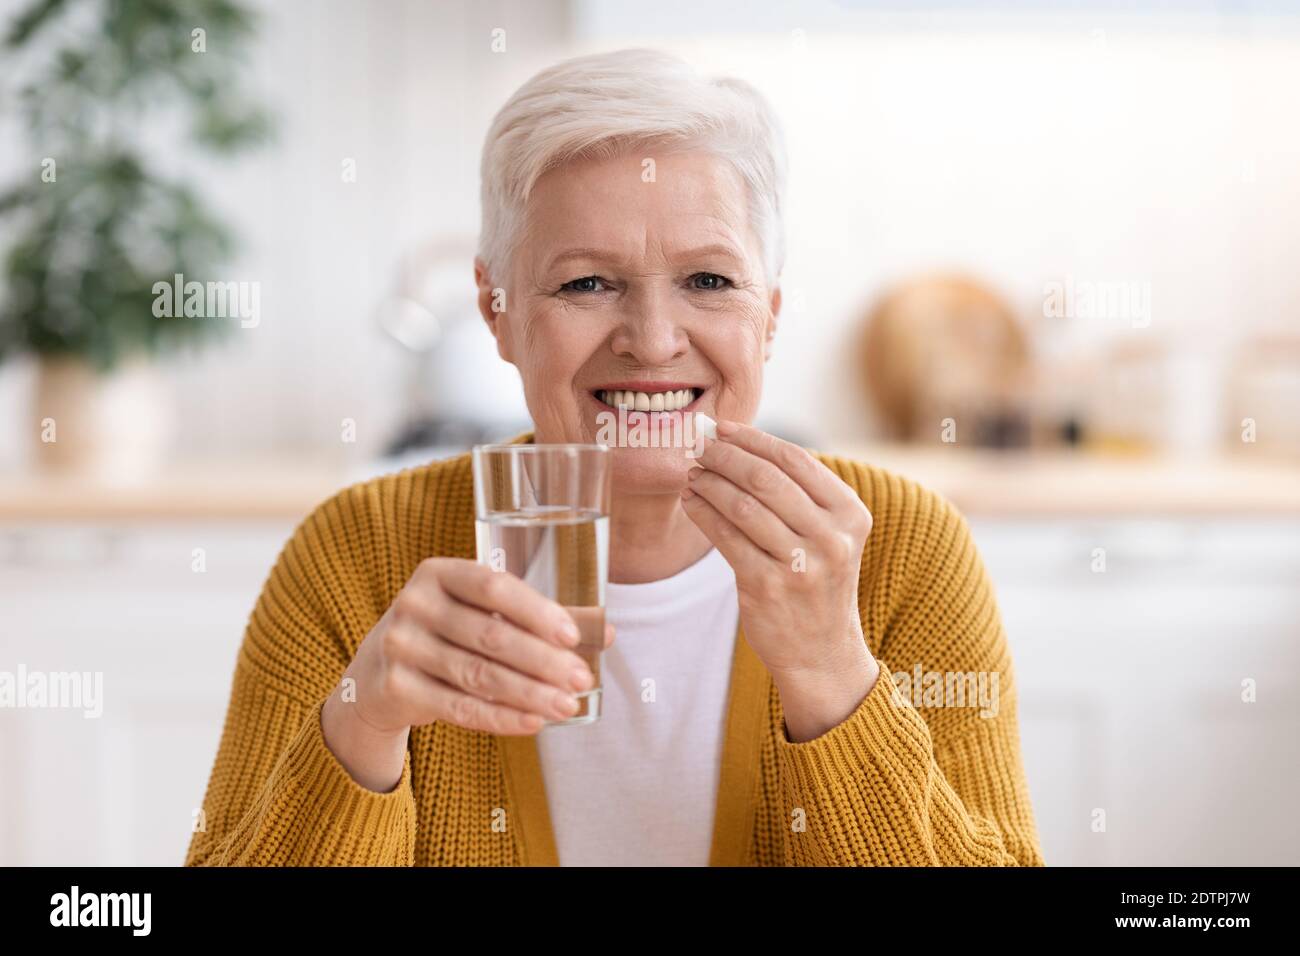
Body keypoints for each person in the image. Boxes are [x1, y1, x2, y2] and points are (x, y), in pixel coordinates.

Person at [185, 47, 1043, 867]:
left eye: (709, 281)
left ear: (770, 314)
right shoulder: (352, 557)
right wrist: (364, 722)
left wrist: (832, 676)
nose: (654, 341)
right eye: (587, 283)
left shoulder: (904, 550)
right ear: (498, 313)